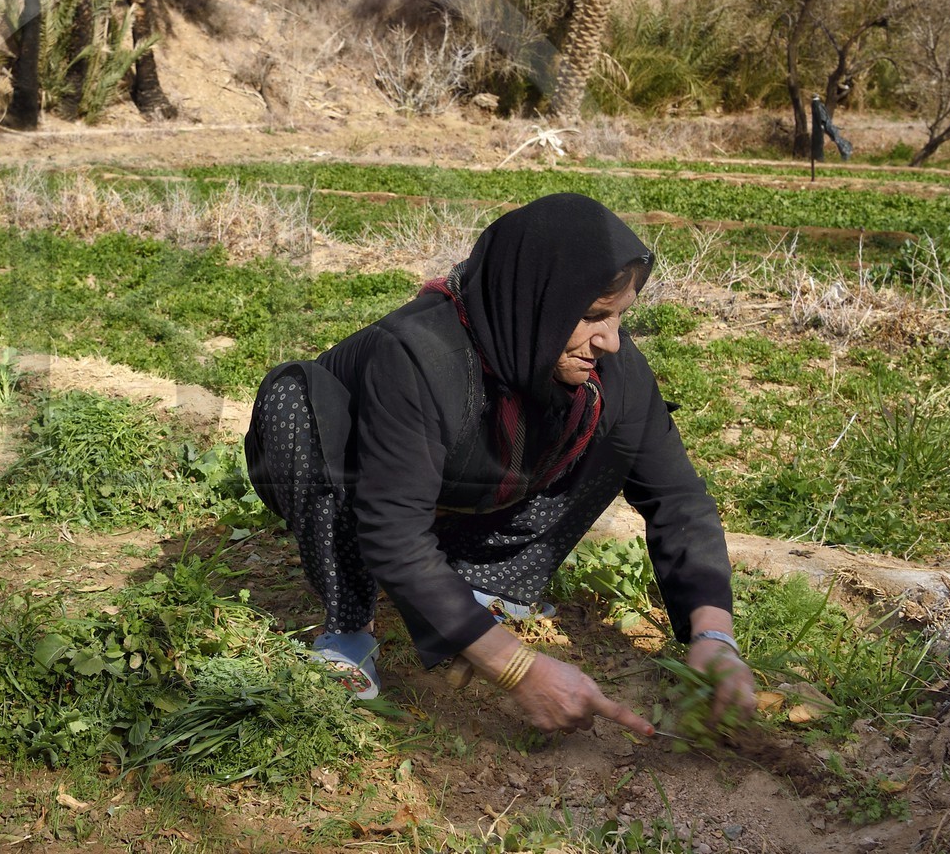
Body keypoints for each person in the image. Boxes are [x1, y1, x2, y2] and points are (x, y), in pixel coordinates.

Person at [244, 193, 755, 737]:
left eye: (620, 316)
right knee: (292, 401)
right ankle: (349, 629)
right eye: (590, 317)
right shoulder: (420, 356)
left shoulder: (606, 364)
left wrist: (713, 635)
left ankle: (481, 583)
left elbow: (676, 497)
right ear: (535, 302)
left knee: (614, 424)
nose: (609, 339)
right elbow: (392, 530)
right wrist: (517, 669)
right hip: (357, 483)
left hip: (456, 483)